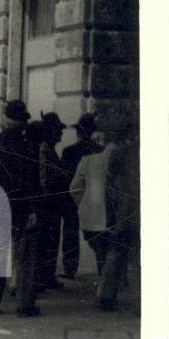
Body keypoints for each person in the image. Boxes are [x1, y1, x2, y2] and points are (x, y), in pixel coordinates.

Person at [0, 100, 40, 316]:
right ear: (22, 121)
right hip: (21, 208)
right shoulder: (28, 147)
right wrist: (33, 209)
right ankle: (25, 303)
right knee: (24, 257)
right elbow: (32, 181)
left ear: (5, 119)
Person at [96, 112, 139, 312]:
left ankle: (105, 295)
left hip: (124, 210)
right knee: (136, 256)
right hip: (135, 210)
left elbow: (110, 185)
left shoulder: (121, 152)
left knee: (116, 252)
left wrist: (112, 213)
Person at [59, 112, 103, 280]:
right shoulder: (100, 151)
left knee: (70, 234)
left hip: (72, 200)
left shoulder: (68, 151)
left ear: (78, 132)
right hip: (94, 200)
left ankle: (70, 268)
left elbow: (64, 179)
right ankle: (103, 267)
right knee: (96, 235)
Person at [69, 133, 113, 281]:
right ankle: (109, 286)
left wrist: (83, 204)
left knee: (101, 252)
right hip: (117, 216)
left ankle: (105, 287)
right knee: (113, 252)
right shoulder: (125, 160)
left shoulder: (87, 161)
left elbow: (75, 188)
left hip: (92, 218)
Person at [36, 112, 68, 291]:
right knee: (46, 241)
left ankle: (47, 276)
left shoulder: (50, 149)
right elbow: (44, 178)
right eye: (58, 130)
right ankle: (43, 277)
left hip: (53, 204)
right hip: (48, 204)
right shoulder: (45, 149)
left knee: (51, 240)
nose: (61, 133)